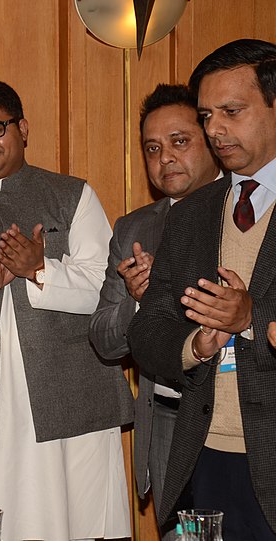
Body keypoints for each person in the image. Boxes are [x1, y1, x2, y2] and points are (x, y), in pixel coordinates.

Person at [0, 79, 133, 541]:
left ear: (22, 128)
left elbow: (108, 290)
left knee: (76, 520)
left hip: (69, 395)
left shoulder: (72, 194)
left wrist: (39, 268)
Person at [128, 39, 276, 539]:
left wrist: (251, 317)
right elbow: (147, 332)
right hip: (203, 456)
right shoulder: (192, 213)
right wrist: (194, 344)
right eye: (208, 115)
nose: (215, 129)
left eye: (232, 111)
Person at [89, 83, 220, 539]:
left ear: (212, 139)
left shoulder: (247, 211)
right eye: (152, 147)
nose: (165, 157)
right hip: (166, 418)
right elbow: (105, 341)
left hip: (235, 422)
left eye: (179, 142)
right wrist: (139, 298)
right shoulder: (135, 228)